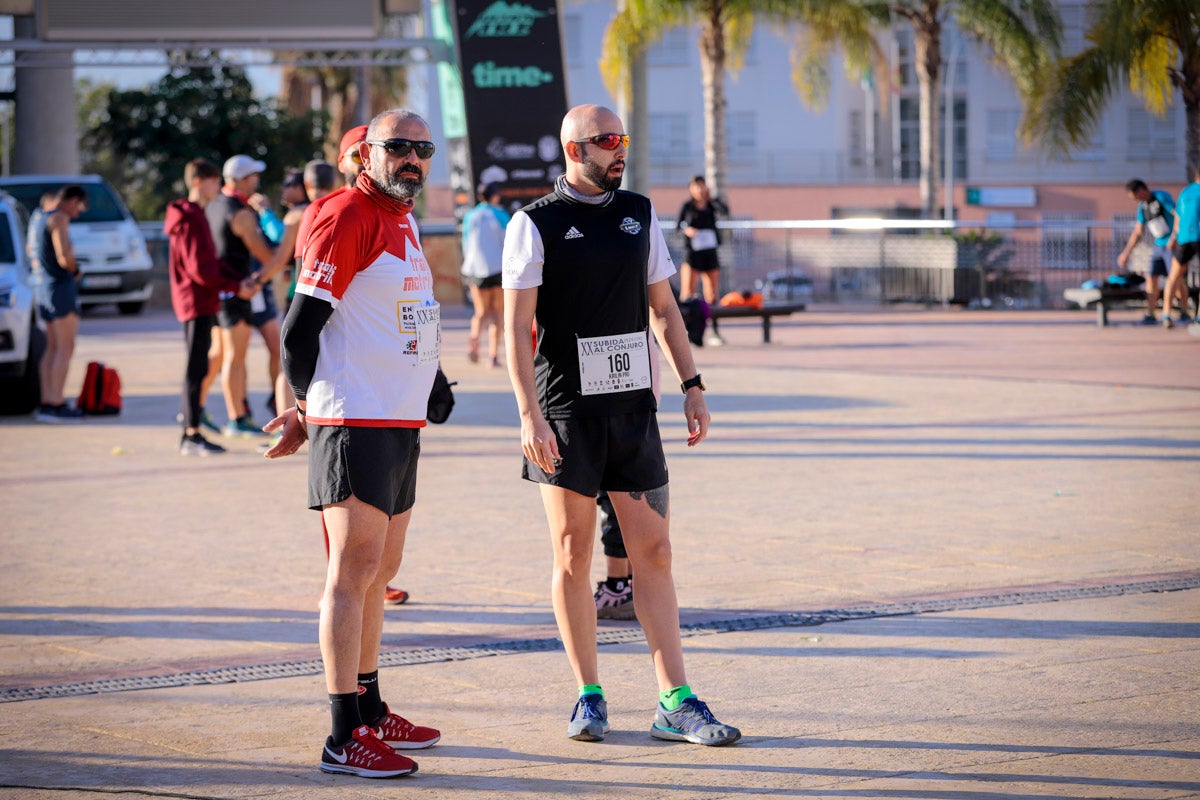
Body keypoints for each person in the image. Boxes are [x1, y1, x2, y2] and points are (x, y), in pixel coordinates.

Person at [502, 103, 741, 747]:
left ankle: (675, 700)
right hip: (564, 415)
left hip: (633, 411)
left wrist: (692, 386)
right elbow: (515, 332)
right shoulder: (533, 224)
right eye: (608, 142)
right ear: (574, 149)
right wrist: (528, 414)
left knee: (654, 553)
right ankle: (588, 696)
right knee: (574, 555)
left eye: (623, 139)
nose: (620, 151)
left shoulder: (640, 212)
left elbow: (662, 307)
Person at [264, 108, 442, 778]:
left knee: (380, 572)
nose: (412, 159)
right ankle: (344, 735)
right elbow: (300, 330)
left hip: (398, 419)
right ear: (365, 153)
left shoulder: (401, 215)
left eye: (422, 148)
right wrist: (311, 410)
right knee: (351, 573)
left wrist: (437, 376)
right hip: (356, 420)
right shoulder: (346, 214)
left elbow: (399, 311)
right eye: (398, 147)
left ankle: (370, 707)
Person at [164, 158, 257, 455]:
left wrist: (236, 280)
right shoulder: (190, 217)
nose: (219, 186)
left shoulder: (196, 214)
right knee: (195, 368)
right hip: (195, 301)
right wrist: (233, 286)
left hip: (203, 300)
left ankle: (192, 431)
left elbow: (210, 264)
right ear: (198, 182)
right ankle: (190, 435)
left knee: (201, 365)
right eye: (214, 181)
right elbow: (199, 271)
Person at [206, 154, 291, 437]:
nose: (257, 180)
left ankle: (199, 407)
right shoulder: (239, 212)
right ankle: (237, 418)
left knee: (237, 353)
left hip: (232, 290)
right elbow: (264, 254)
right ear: (243, 180)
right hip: (237, 292)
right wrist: (283, 256)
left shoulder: (215, 204)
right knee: (233, 357)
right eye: (253, 176)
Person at [32, 184, 88, 423]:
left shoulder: (39, 217)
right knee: (65, 349)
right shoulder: (59, 218)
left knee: (52, 349)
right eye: (80, 207)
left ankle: (47, 402)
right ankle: (56, 403)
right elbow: (64, 255)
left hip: (44, 287)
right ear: (73, 201)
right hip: (60, 287)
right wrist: (76, 270)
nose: (78, 213)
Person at [461, 182, 509, 367]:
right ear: (494, 196)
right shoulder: (501, 215)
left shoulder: (470, 216)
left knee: (481, 312)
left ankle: (473, 344)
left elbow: (465, 242)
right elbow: (508, 244)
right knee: (497, 313)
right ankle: (493, 355)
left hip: (474, 269)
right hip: (498, 268)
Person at [1117, 179, 1176, 324]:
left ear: (1142, 190)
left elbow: (1177, 215)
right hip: (1159, 244)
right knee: (1151, 277)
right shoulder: (1142, 207)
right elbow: (1138, 231)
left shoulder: (1161, 197)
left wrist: (1175, 237)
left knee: (1175, 278)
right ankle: (1151, 313)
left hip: (1172, 243)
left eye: (1135, 197)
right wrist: (1126, 253)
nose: (1136, 200)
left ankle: (1184, 311)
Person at [676, 175, 729, 318]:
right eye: (696, 186)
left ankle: (713, 325)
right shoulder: (687, 207)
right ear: (691, 189)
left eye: (701, 185)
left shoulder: (712, 205)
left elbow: (725, 211)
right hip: (693, 253)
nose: (699, 189)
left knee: (712, 292)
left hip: (710, 251)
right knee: (688, 291)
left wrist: (712, 199)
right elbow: (679, 226)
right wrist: (687, 229)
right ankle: (688, 326)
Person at [1164, 164, 1200, 329]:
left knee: (1174, 276)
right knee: (1175, 277)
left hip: (1183, 240)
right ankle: (1198, 317)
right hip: (1197, 238)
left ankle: (1166, 314)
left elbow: (1177, 219)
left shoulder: (1185, 191)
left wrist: (1173, 238)